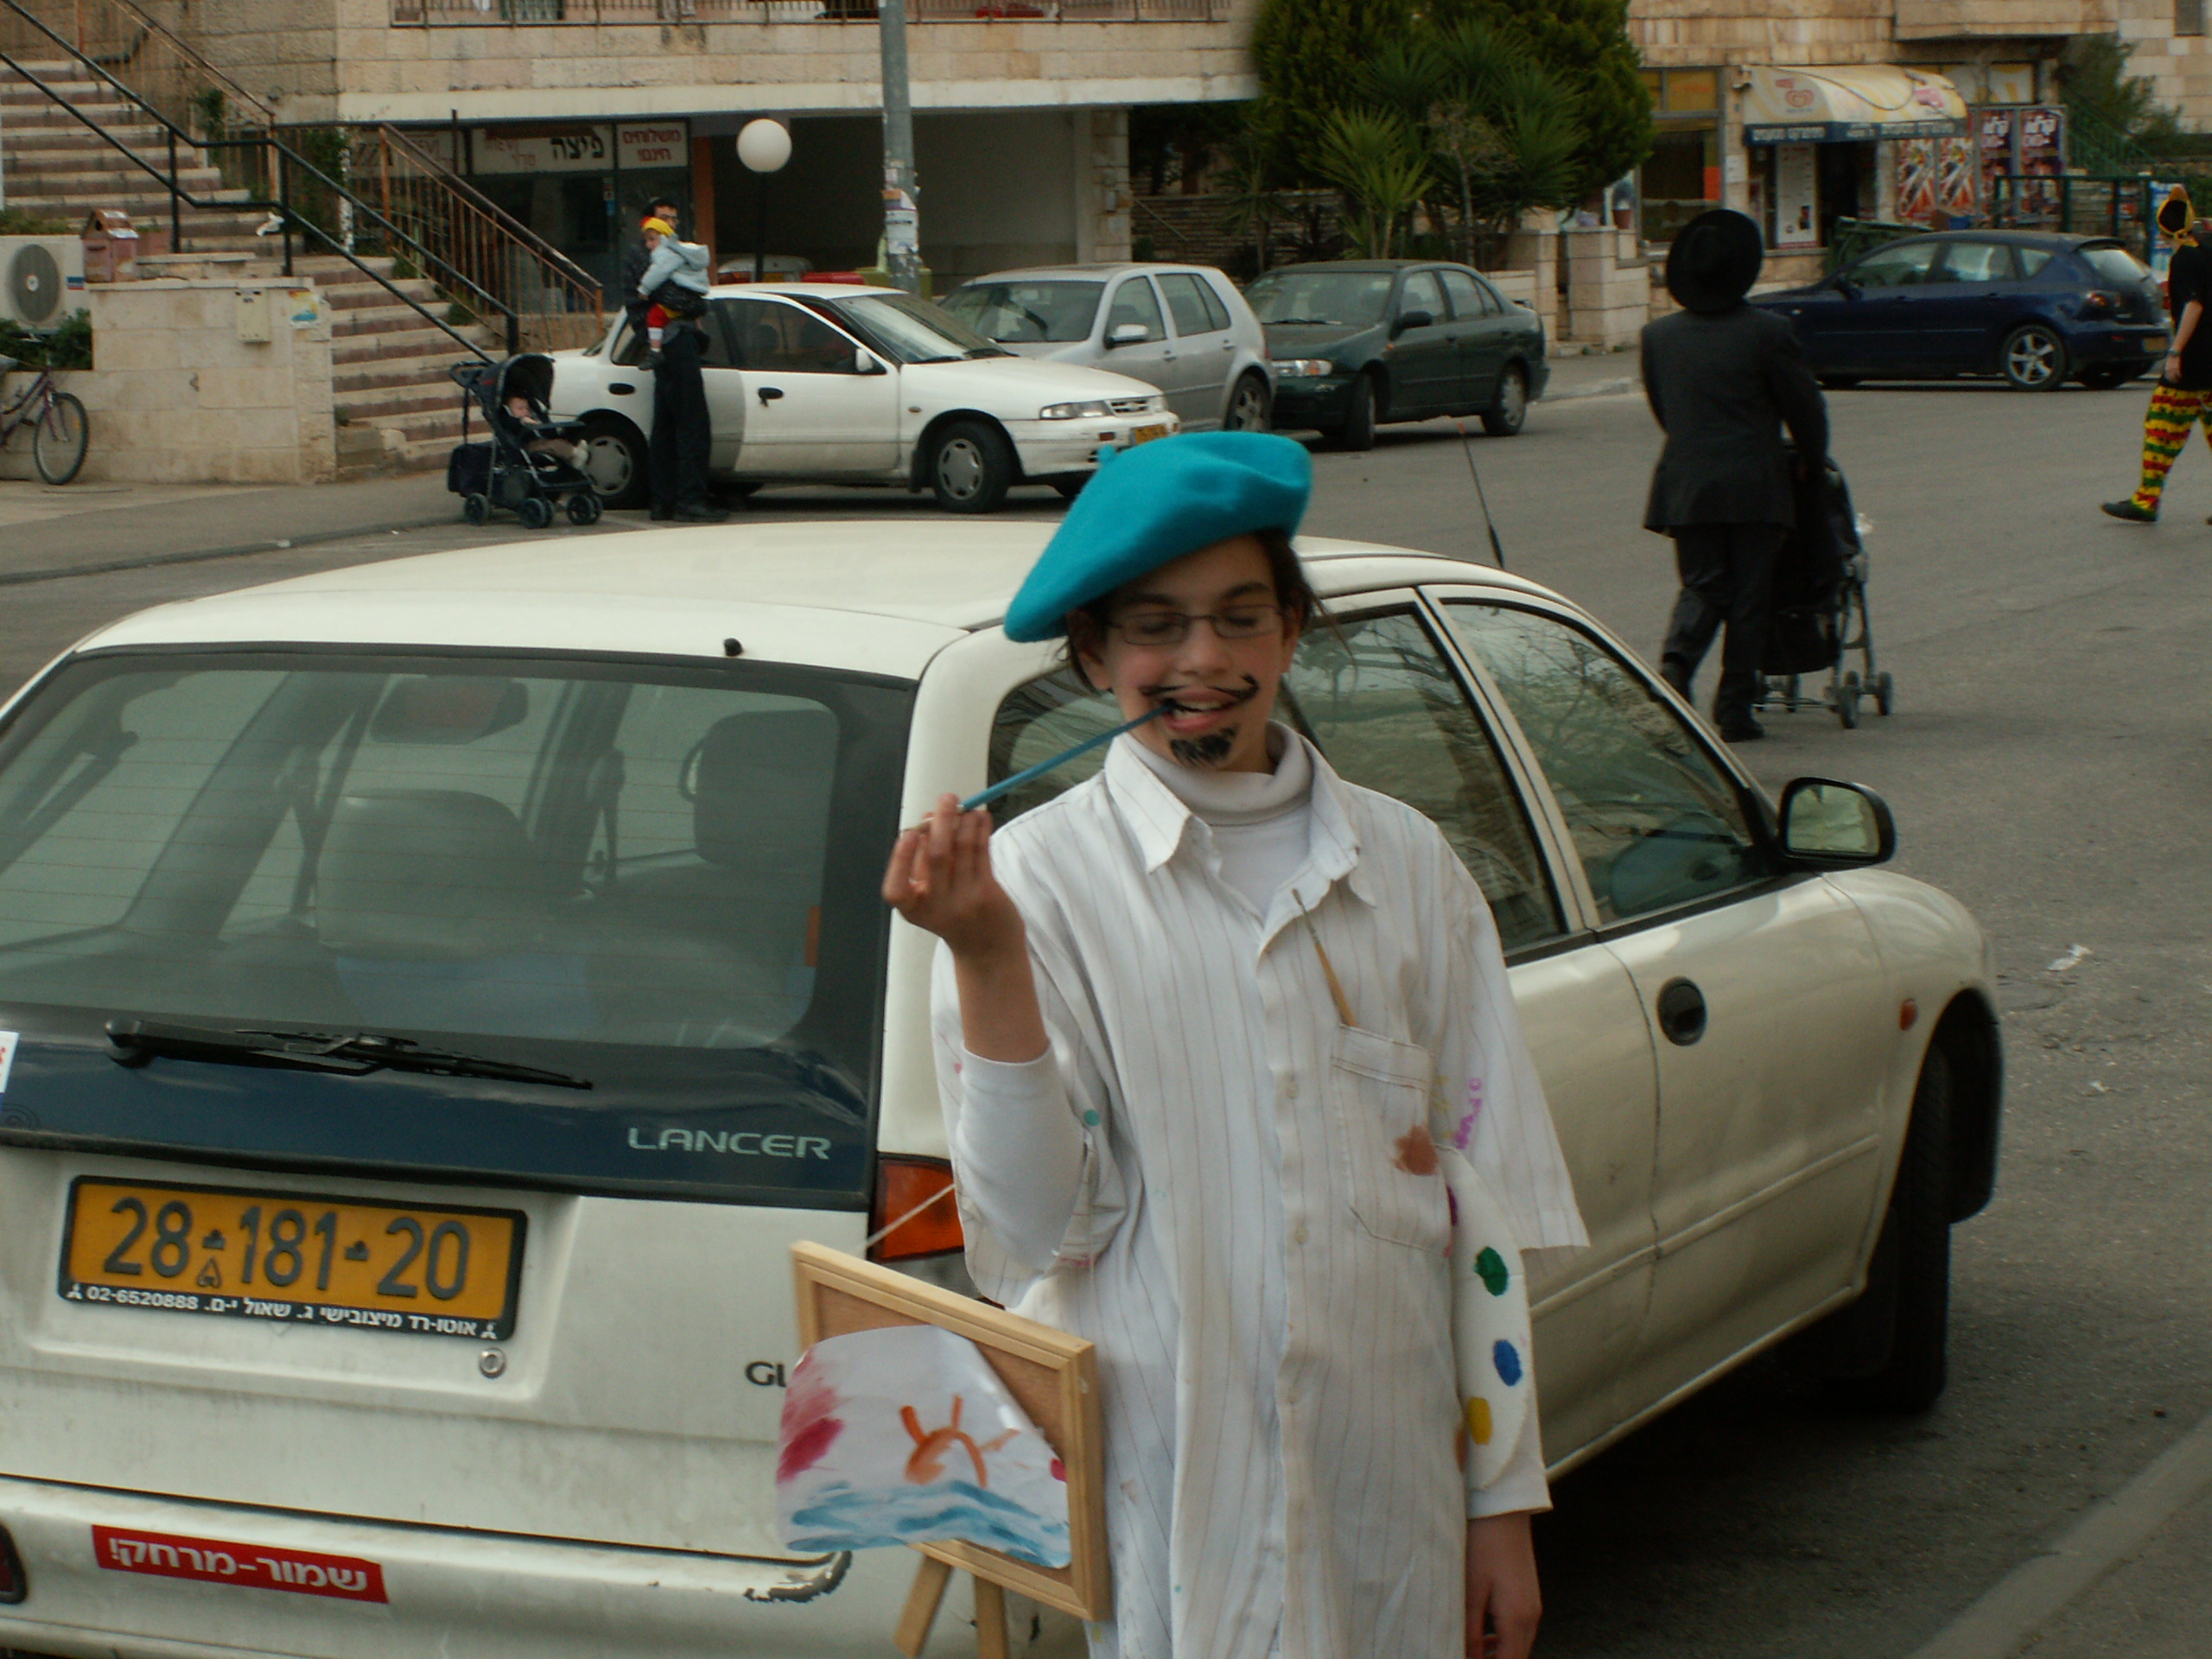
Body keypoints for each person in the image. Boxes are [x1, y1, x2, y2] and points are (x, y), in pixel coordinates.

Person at [881, 430, 1587, 1659]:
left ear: (1290, 631)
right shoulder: (1033, 890)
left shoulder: (1410, 869)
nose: (1202, 659)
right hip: (1170, 1525)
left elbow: (1475, 1224)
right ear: (1095, 654)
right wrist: (987, 956)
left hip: (1392, 1513)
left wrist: (1502, 1508)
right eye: (1155, 627)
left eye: (1240, 618)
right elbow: (1032, 1231)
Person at [1640, 207, 1829, 742]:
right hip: (1754, 482)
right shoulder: (1768, 333)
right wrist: (1811, 462)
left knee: (1703, 584)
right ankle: (1734, 707)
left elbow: (1665, 411)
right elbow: (1806, 409)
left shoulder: (1658, 337)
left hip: (1687, 482)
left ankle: (1677, 662)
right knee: (1750, 595)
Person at [2102, 188, 2212, 524]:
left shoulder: (2184, 260)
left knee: (2160, 428)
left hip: (2195, 363)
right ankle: (2146, 499)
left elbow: (2194, 305)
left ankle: (2146, 501)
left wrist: (2175, 353)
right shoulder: (2205, 250)